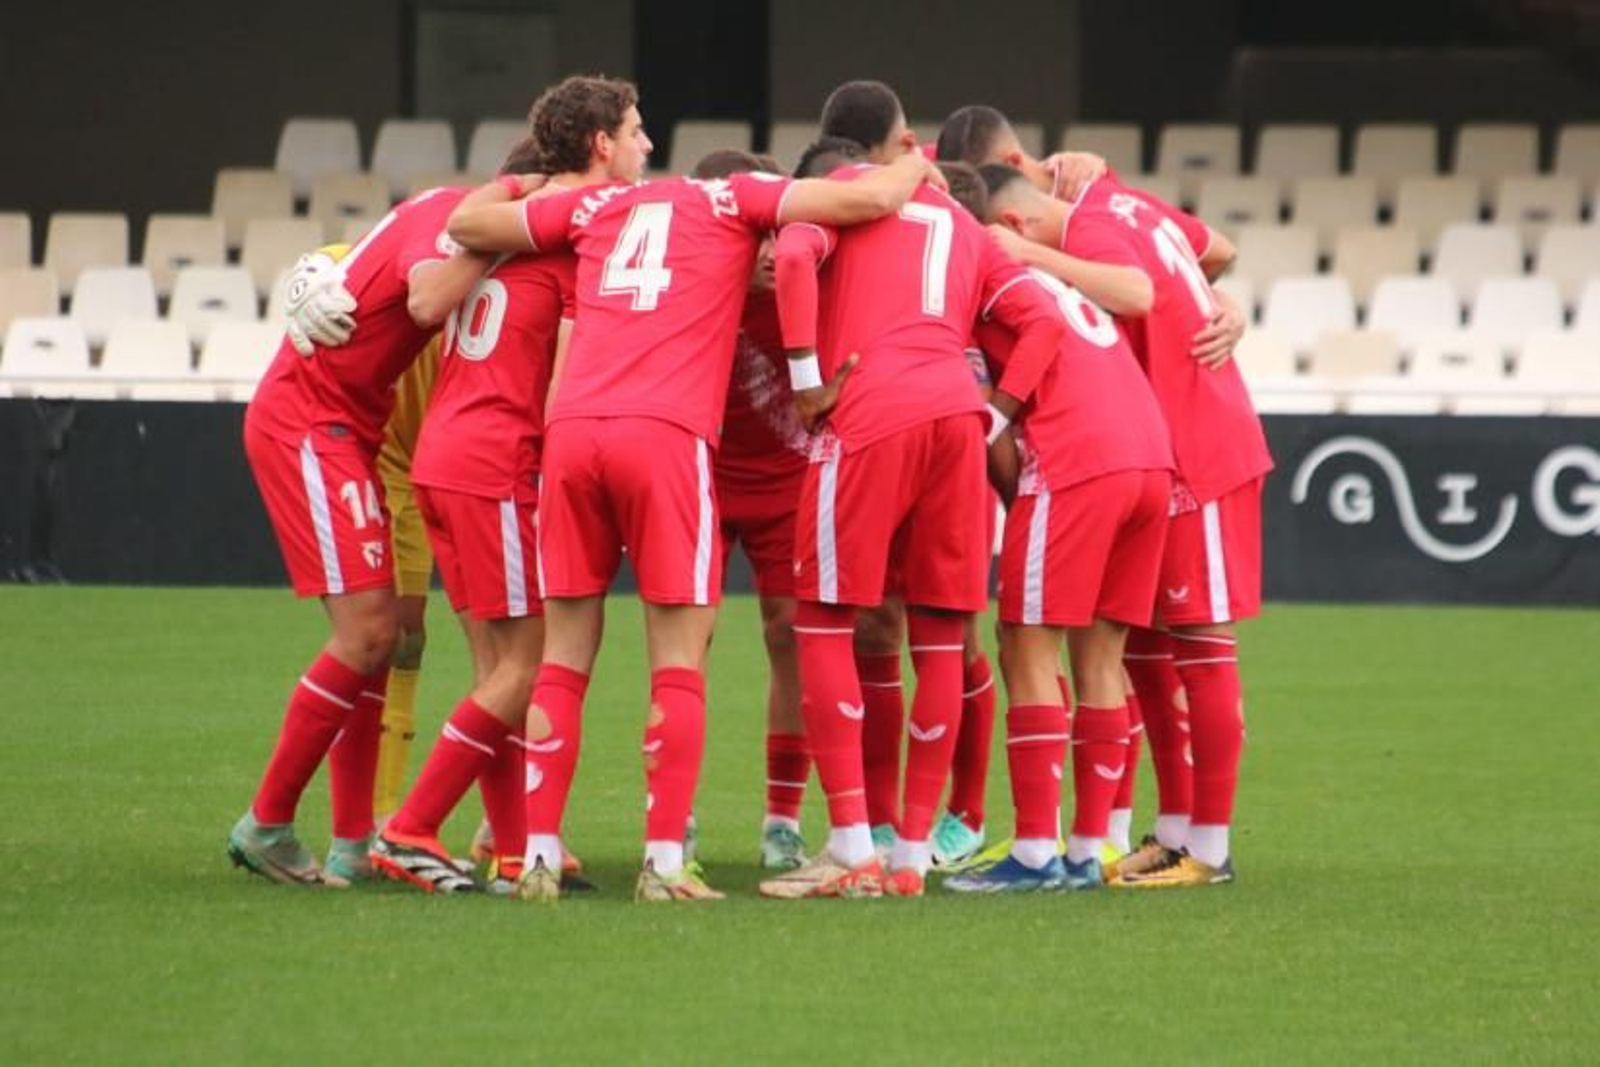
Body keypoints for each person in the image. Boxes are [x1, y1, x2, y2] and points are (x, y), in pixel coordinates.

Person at [447, 116, 944, 902]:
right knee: (678, 654)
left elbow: (466, 220)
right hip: (665, 434)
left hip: (572, 431)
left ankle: (534, 855)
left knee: (566, 653)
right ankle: (665, 864)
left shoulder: (597, 209)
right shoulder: (732, 201)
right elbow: (873, 197)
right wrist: (919, 161)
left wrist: (536, 180)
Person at [758, 141, 1065, 900]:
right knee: (938, 636)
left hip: (870, 406)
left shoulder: (845, 191)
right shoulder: (962, 222)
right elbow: (1044, 323)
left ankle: (853, 844)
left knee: (824, 619)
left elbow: (794, 258)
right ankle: (913, 854)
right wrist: (992, 421)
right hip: (957, 419)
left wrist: (804, 378)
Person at [980, 161, 1271, 887]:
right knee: (1142, 643)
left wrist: (1033, 257)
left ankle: (1210, 844)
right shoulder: (1118, 203)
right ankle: (1173, 830)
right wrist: (1214, 297)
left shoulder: (1096, 221)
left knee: (1201, 639)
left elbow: (1142, 289)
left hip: (1201, 441)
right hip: (1157, 448)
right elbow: (1215, 250)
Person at [227, 168, 496, 888]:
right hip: (323, 429)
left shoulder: (453, 220)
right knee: (373, 633)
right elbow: (414, 283)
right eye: (632, 132)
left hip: (362, 436)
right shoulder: (453, 223)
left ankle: (352, 839)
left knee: (386, 639)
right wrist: (311, 270)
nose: (645, 144)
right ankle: (268, 821)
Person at [367, 114, 599, 895]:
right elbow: (564, 384)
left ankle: (510, 845)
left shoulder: (484, 251)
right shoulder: (565, 257)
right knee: (528, 666)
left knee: (497, 666)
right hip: (498, 464)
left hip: (443, 457)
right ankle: (410, 826)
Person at [934, 201, 1174, 891]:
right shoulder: (1059, 284)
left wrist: (999, 444)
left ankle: (1037, 850)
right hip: (1150, 459)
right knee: (1103, 651)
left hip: (1076, 462)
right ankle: (1089, 849)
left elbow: (992, 408)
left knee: (1024, 640)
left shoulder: (981, 284)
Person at [693, 149, 814, 872]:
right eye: (756, 232)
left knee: (790, 633)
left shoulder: (815, 280)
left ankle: (782, 819)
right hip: (701, 473)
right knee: (687, 637)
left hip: (788, 480)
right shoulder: (688, 284)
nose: (773, 250)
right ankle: (674, 817)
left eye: (779, 230)